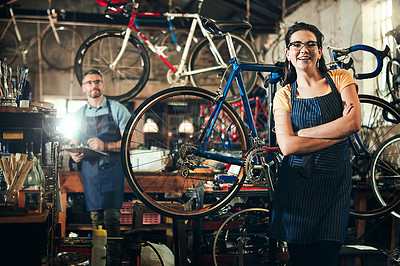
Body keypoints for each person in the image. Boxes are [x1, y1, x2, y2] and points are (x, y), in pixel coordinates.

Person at [270, 22, 361, 266]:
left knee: (326, 258)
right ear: (288, 53)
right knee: (301, 261)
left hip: (335, 185)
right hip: (297, 188)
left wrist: (306, 133)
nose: (304, 49)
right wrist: (337, 133)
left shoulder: (341, 78)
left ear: (320, 51)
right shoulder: (284, 95)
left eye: (311, 44)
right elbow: (287, 146)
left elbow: (352, 124)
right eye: (296, 44)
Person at [68, 69, 132, 265]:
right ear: (83, 87)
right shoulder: (79, 114)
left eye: (97, 81)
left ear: (103, 85)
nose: (93, 85)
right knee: (96, 219)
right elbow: (73, 142)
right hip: (91, 171)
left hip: (113, 169)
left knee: (112, 219)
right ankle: (99, 261)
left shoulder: (118, 109)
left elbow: (131, 141)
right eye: (89, 83)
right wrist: (73, 152)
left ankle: (113, 261)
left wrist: (106, 146)